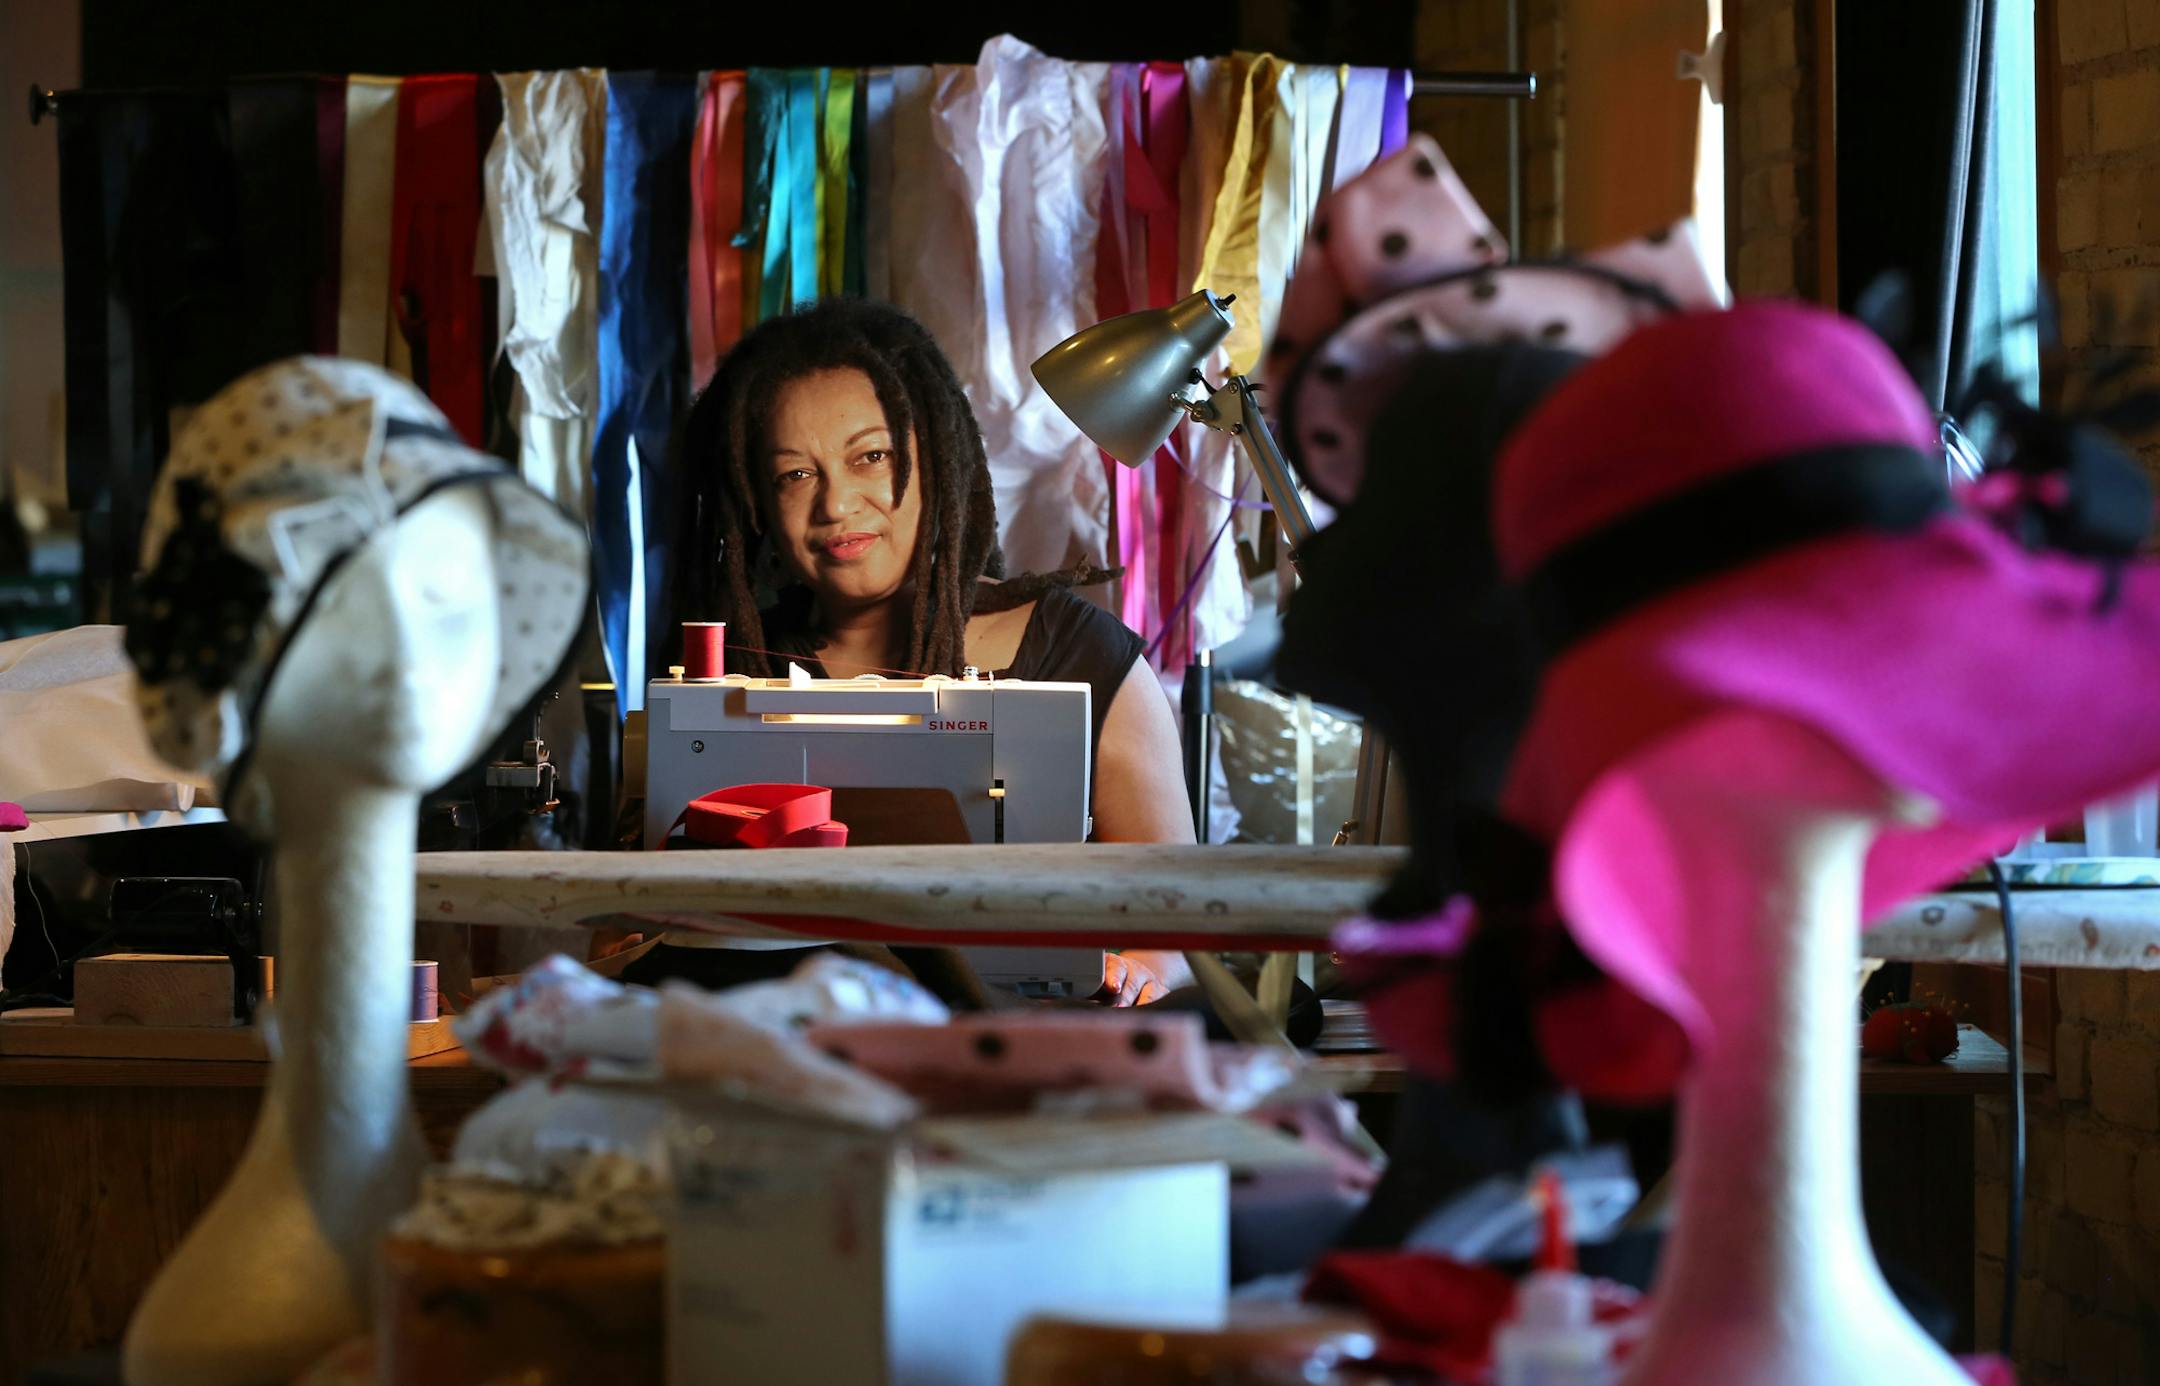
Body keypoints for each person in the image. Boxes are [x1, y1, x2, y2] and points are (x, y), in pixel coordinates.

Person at [622, 298, 1194, 1001]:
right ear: (758, 505)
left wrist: (1141, 970)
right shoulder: (732, 670)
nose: (836, 505)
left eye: (871, 457)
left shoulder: (1085, 657)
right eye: (795, 475)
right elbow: (636, 920)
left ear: (940, 460)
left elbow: (1175, 929)